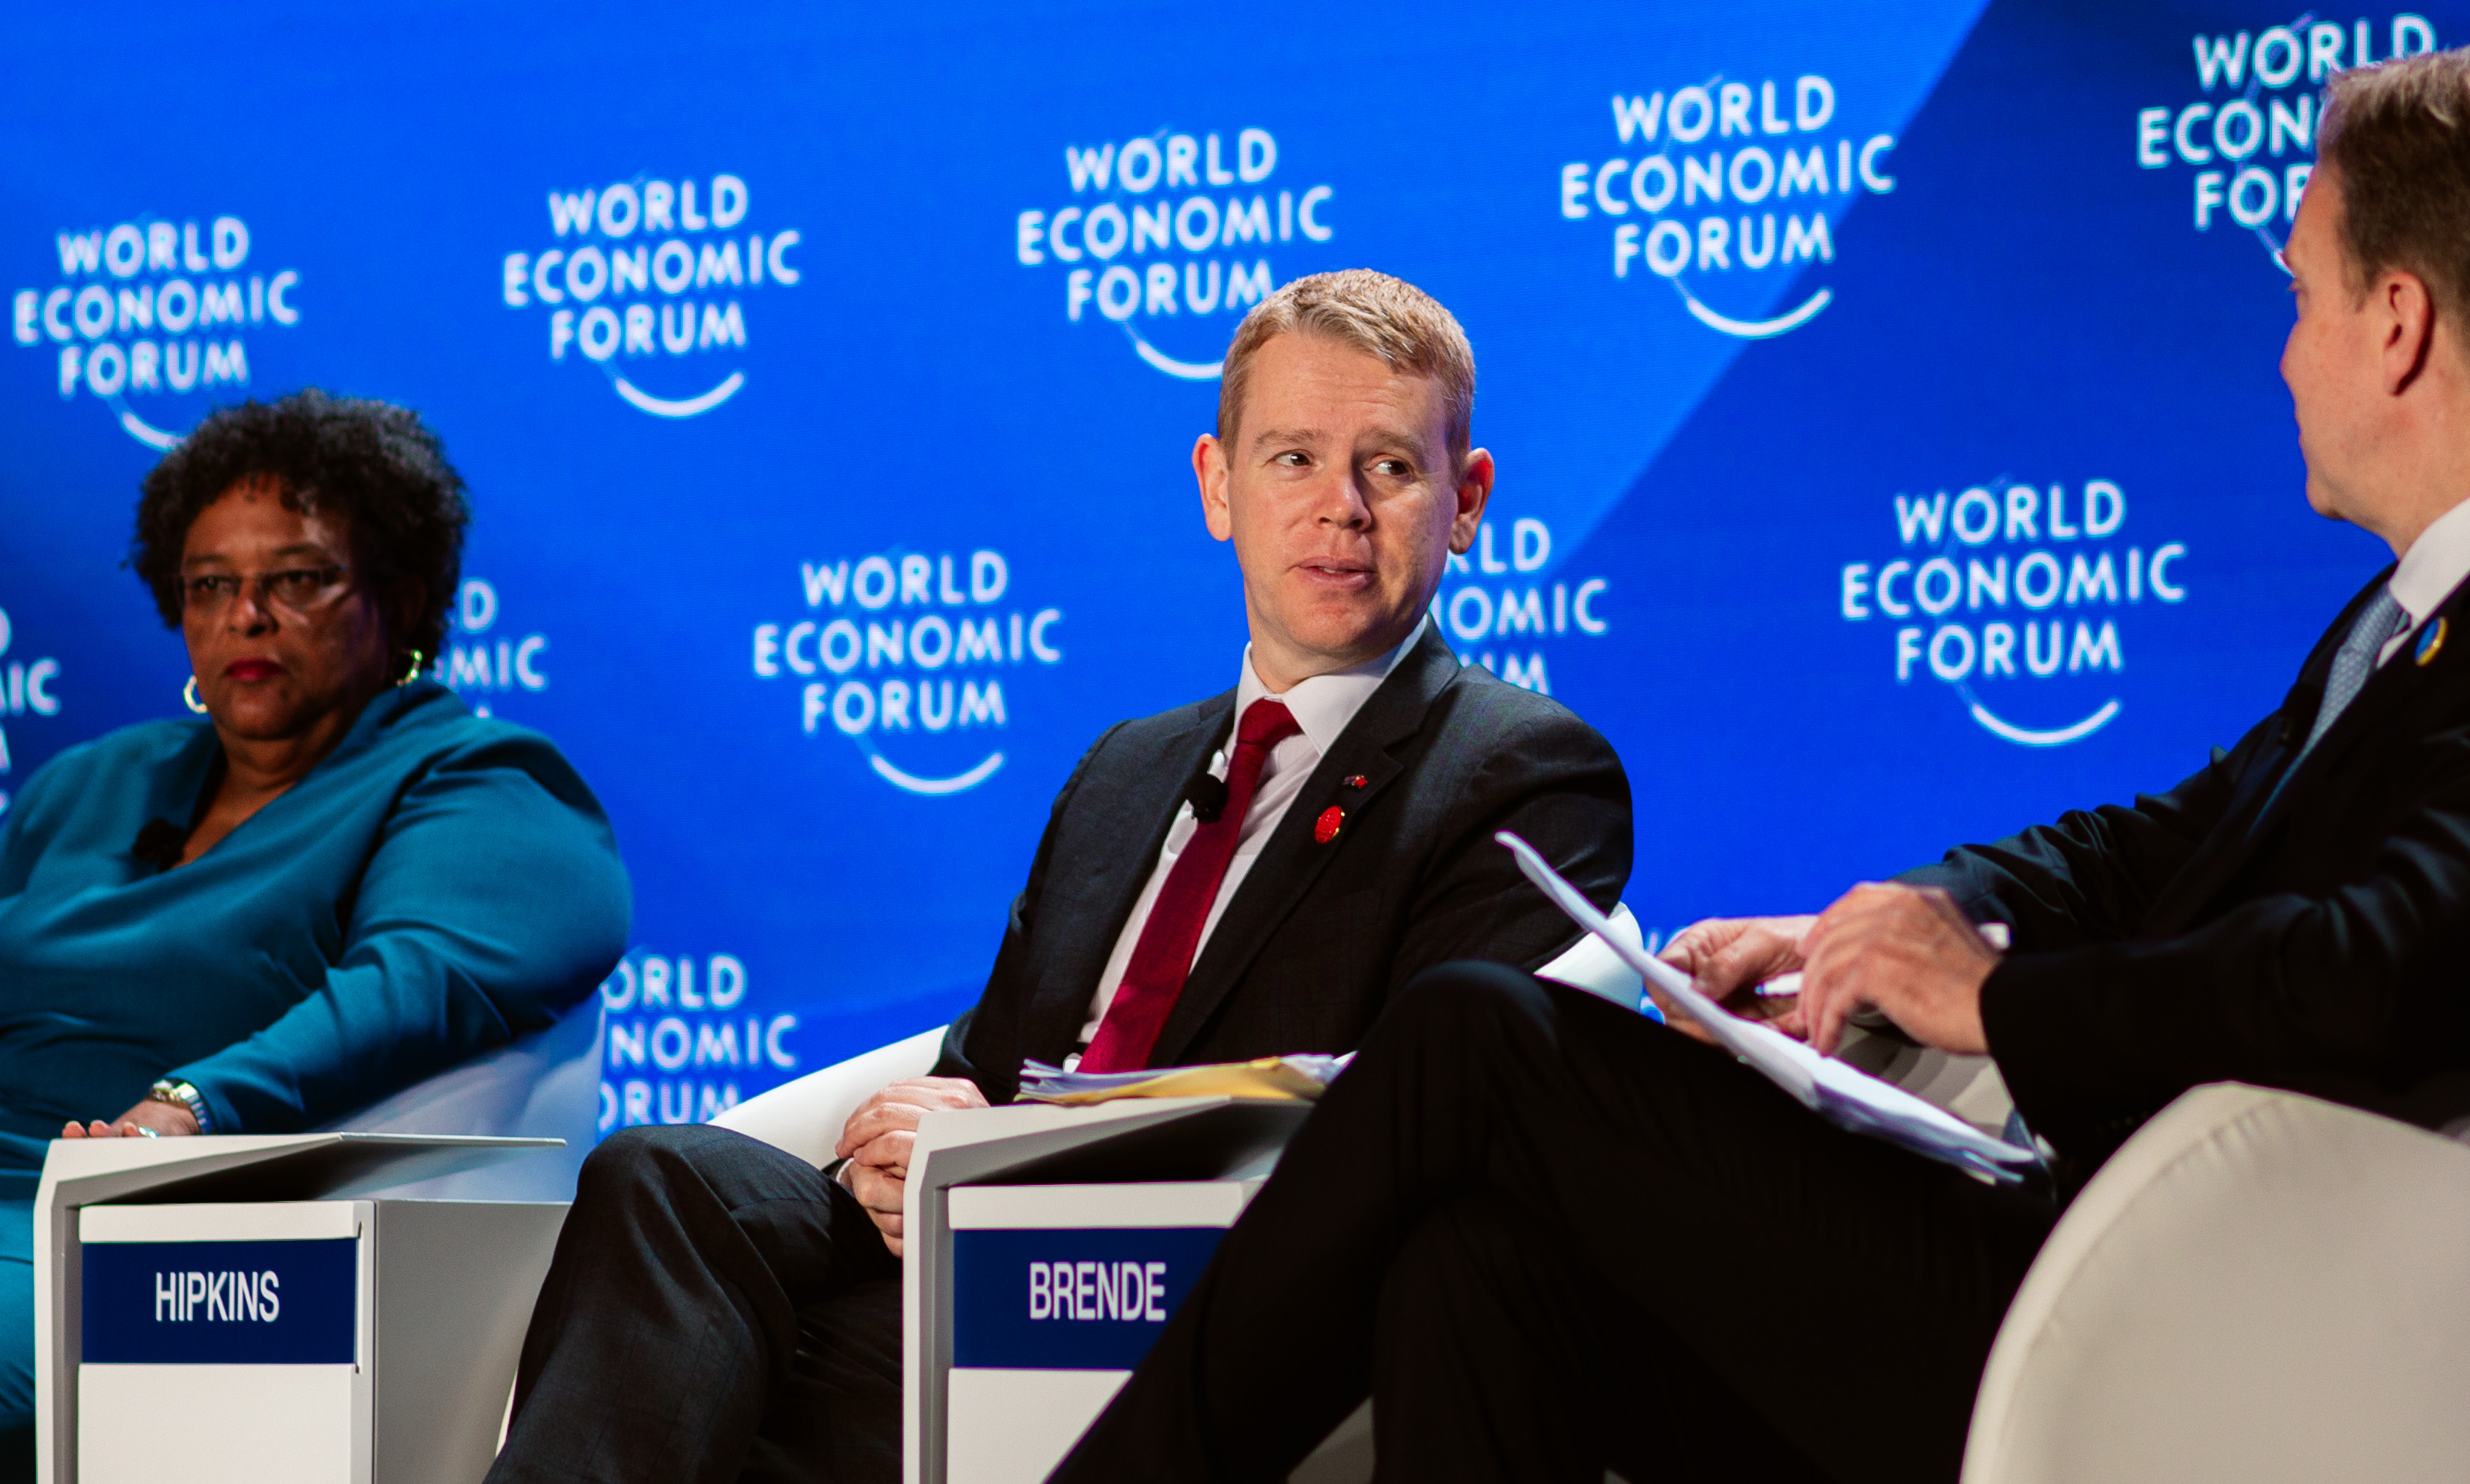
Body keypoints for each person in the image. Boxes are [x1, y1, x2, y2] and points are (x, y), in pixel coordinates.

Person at [1053, 37, 2470, 1484]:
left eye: (2298, 297)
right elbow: (2163, 843)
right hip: (2147, 1273)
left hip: (2170, 1342)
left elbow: (2371, 977)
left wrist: (1987, 1005)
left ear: (2396, 324)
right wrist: (1881, 923)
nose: (2285, 350)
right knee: (1476, 1264)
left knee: (1474, 1046)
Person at [488, 269, 1635, 1484]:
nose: (1340, 508)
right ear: (1218, 488)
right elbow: (992, 1062)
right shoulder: (1125, 772)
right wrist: (900, 1143)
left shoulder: (1520, 770)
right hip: (956, 1262)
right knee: (661, 1178)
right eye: (1293, 458)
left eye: (1390, 467)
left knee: (717, 1407)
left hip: (1182, 1302)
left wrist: (1014, 1158)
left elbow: (1409, 1123)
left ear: (1466, 503)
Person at [0, 390, 631, 1484]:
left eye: (298, 579)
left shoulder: (480, 782)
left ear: (403, 596)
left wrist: (192, 1110)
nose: (248, 615)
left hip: (142, 1235)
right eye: (211, 586)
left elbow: (417, 983)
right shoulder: (91, 784)